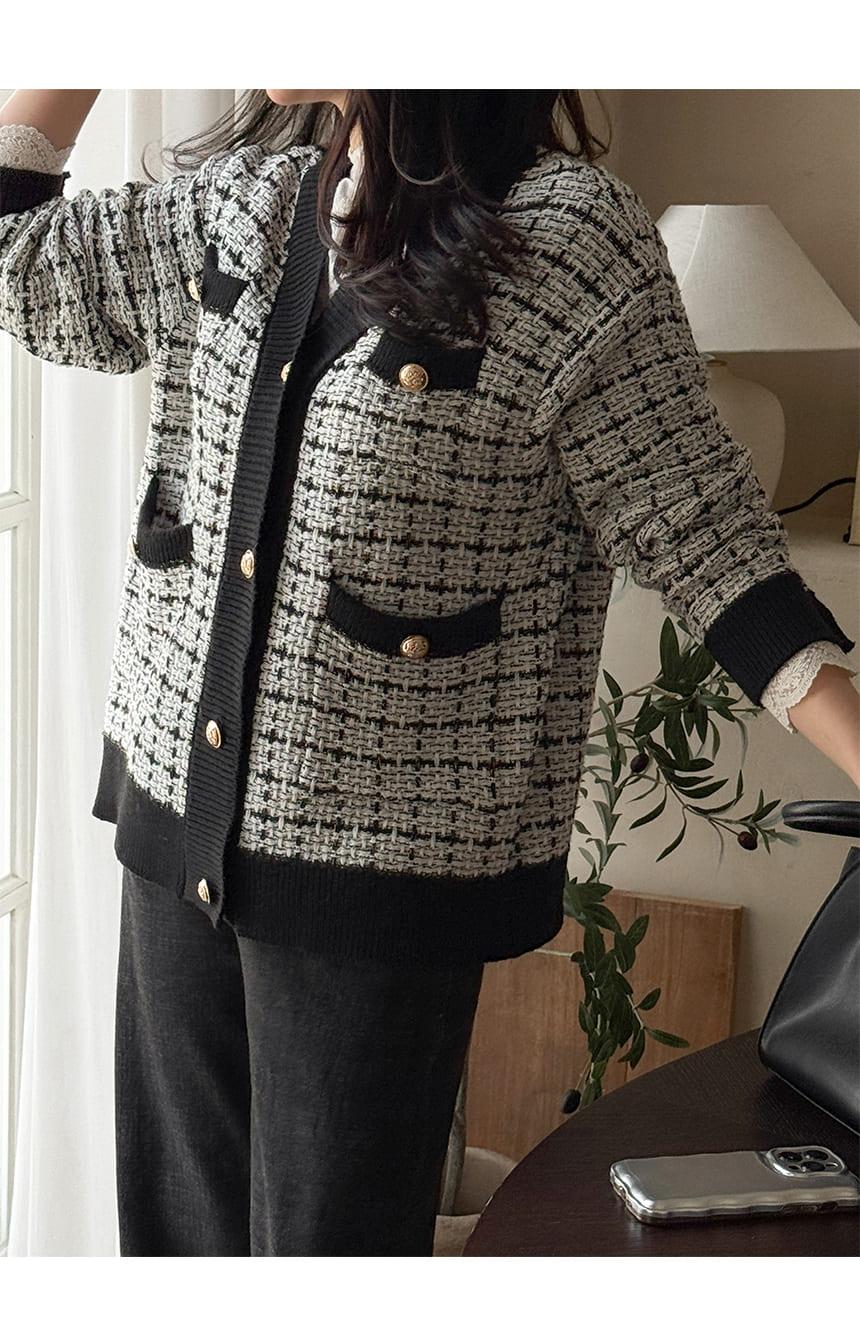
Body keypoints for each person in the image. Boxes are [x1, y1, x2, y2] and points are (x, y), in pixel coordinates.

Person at [0, 88, 857, 1257]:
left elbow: (704, 536)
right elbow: (23, 263)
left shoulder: (567, 242)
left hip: (378, 876)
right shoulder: (244, 203)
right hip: (176, 835)